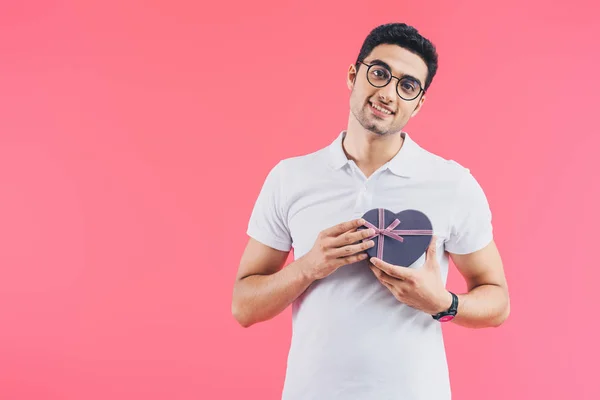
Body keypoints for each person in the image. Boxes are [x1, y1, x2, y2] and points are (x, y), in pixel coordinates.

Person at [231, 22, 510, 400]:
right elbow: (244, 306)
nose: (388, 93)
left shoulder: (452, 184)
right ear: (353, 74)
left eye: (407, 85)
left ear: (419, 102)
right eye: (379, 73)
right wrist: (309, 265)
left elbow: (497, 301)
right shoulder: (290, 178)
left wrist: (442, 303)